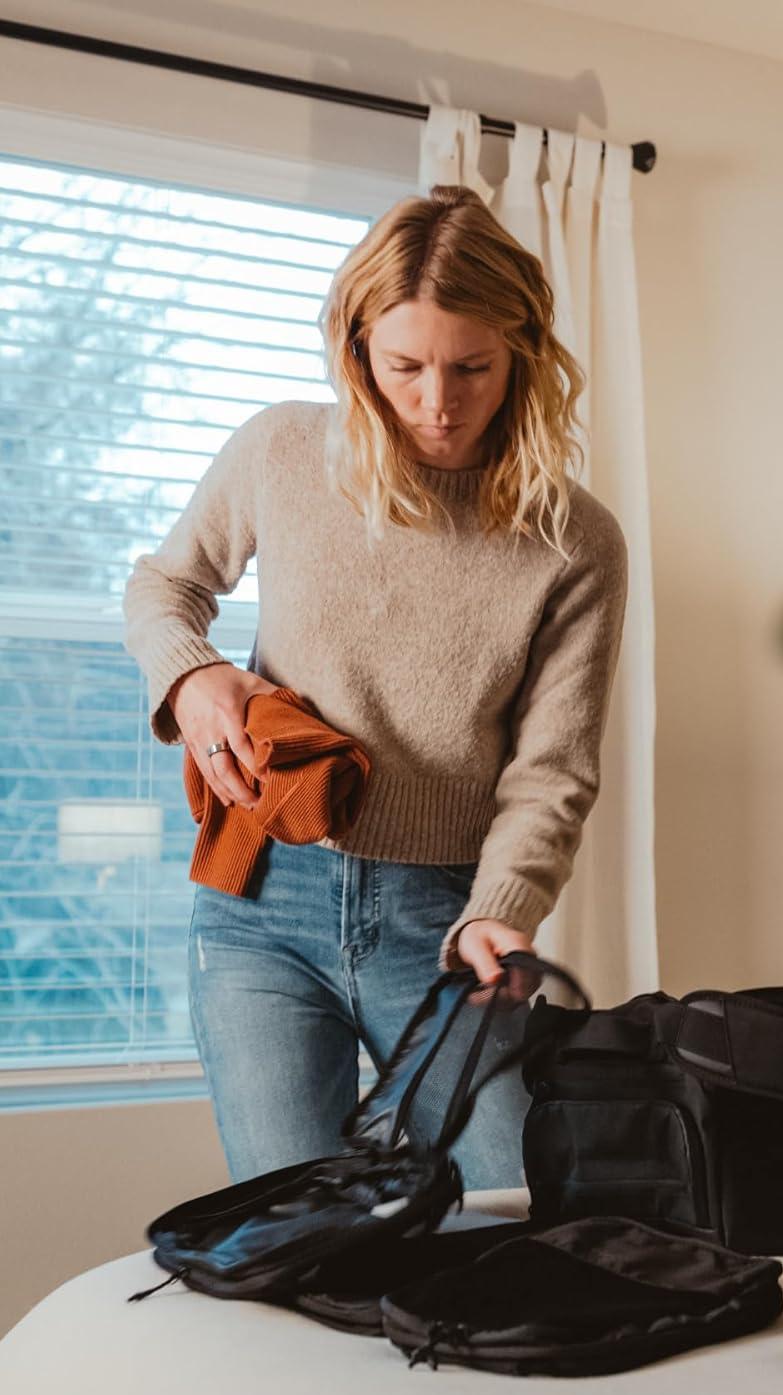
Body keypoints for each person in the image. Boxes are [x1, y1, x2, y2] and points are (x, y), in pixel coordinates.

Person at [121, 184, 628, 1188]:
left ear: (521, 354)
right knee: (296, 1236)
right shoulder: (283, 452)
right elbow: (163, 586)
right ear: (358, 351)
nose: (439, 402)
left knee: (504, 1214)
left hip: (446, 922)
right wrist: (195, 678)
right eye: (405, 367)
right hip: (262, 903)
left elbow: (552, 767)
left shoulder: (575, 539)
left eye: (472, 368)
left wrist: (507, 905)